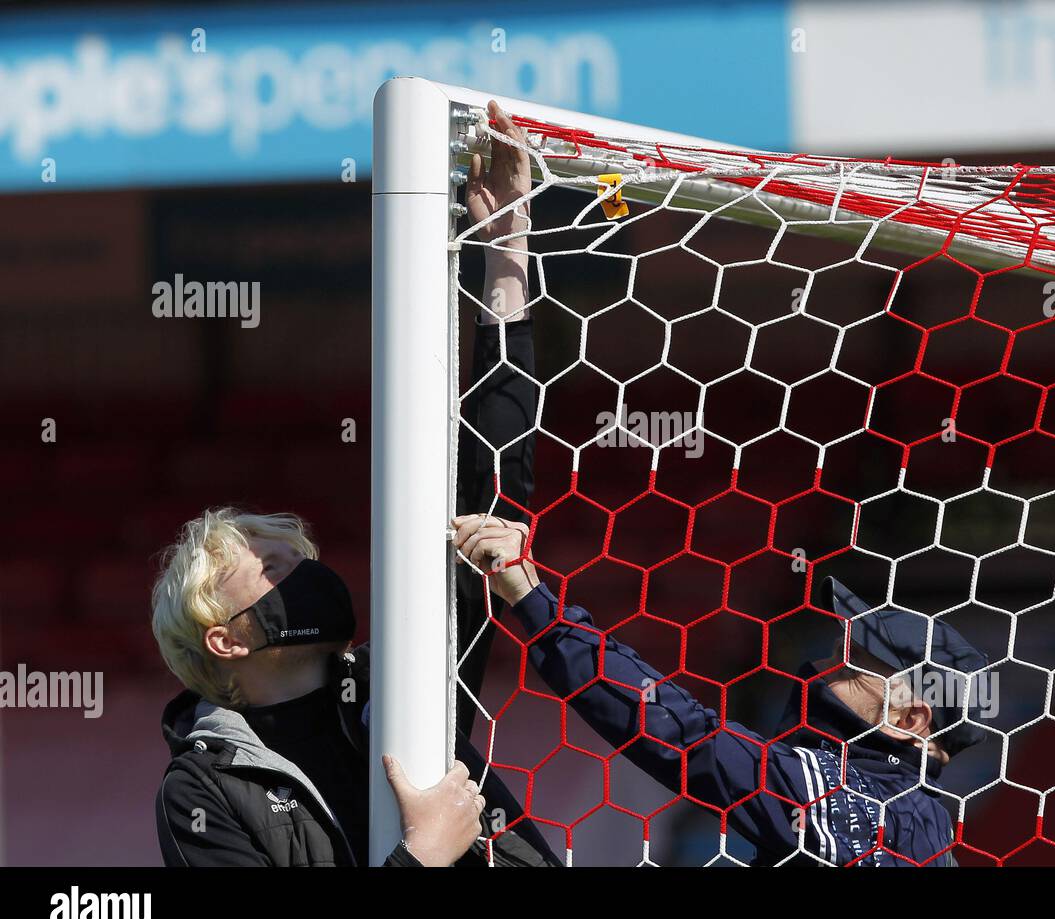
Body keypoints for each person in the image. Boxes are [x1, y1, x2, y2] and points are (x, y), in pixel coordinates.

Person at [152, 101, 558, 867]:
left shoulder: (402, 676)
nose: (307, 577)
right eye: (273, 570)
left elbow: (493, 479)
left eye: (300, 560)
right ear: (226, 638)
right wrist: (422, 859)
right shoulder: (200, 795)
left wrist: (506, 245)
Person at [450, 514, 991, 866]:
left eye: (847, 664)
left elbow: (684, 735)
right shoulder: (914, 816)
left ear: (908, 720)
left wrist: (530, 597)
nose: (815, 668)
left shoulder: (866, 804)